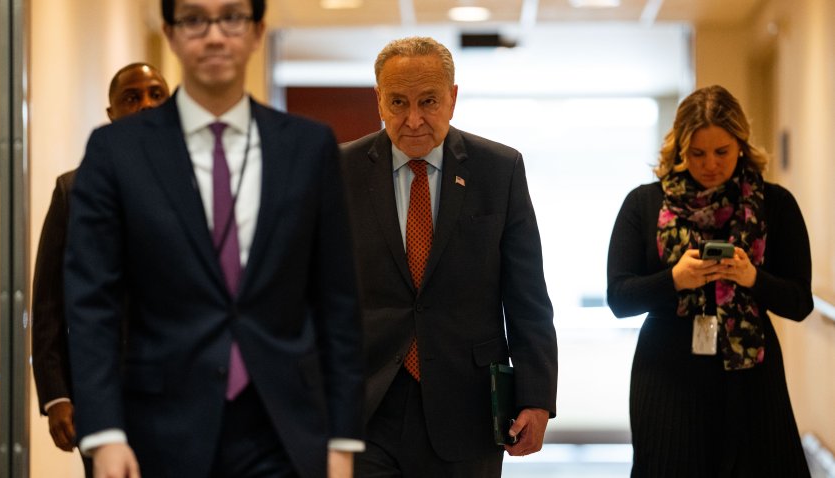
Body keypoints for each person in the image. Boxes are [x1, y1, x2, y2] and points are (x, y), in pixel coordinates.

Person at [64, 1, 364, 477]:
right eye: (194, 19)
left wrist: (344, 440)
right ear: (170, 32)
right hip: (159, 428)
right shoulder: (117, 152)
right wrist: (104, 433)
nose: (215, 36)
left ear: (257, 31)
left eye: (232, 17)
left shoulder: (308, 148)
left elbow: (337, 302)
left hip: (285, 428)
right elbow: (90, 302)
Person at [340, 36, 558, 477]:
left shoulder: (498, 170)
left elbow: (526, 294)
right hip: (366, 403)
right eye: (398, 102)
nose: (413, 119)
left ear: (453, 98)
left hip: (468, 403)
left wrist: (536, 397)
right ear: (378, 99)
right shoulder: (338, 172)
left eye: (428, 101)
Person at [606, 85, 813, 477]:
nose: (710, 165)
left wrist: (752, 277)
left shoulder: (775, 204)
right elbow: (619, 298)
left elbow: (799, 302)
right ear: (679, 150)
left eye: (722, 152)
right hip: (667, 374)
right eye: (697, 153)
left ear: (741, 144)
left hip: (751, 375)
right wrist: (674, 279)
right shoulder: (645, 203)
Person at [31, 61, 170, 478]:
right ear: (111, 115)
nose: (146, 105)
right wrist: (57, 397)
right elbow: (48, 302)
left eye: (156, 95)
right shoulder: (73, 191)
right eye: (132, 97)